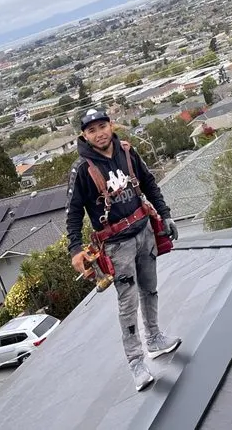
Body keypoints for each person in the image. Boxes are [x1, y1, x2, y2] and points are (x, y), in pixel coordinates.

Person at [66, 107, 180, 391]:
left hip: (143, 231)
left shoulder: (127, 152)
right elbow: (73, 212)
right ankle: (136, 362)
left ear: (111, 125)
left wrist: (165, 215)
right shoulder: (83, 169)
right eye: (91, 130)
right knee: (128, 304)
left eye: (102, 126)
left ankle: (154, 338)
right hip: (117, 245)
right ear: (84, 135)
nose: (99, 133)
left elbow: (149, 183)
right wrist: (75, 248)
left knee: (150, 289)